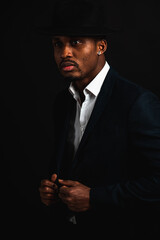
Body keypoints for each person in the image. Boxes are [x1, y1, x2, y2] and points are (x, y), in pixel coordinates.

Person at [38, 0, 160, 236]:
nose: (64, 53)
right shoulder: (62, 102)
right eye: (57, 44)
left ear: (101, 46)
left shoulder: (137, 102)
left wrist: (96, 197)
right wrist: (51, 189)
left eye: (75, 42)